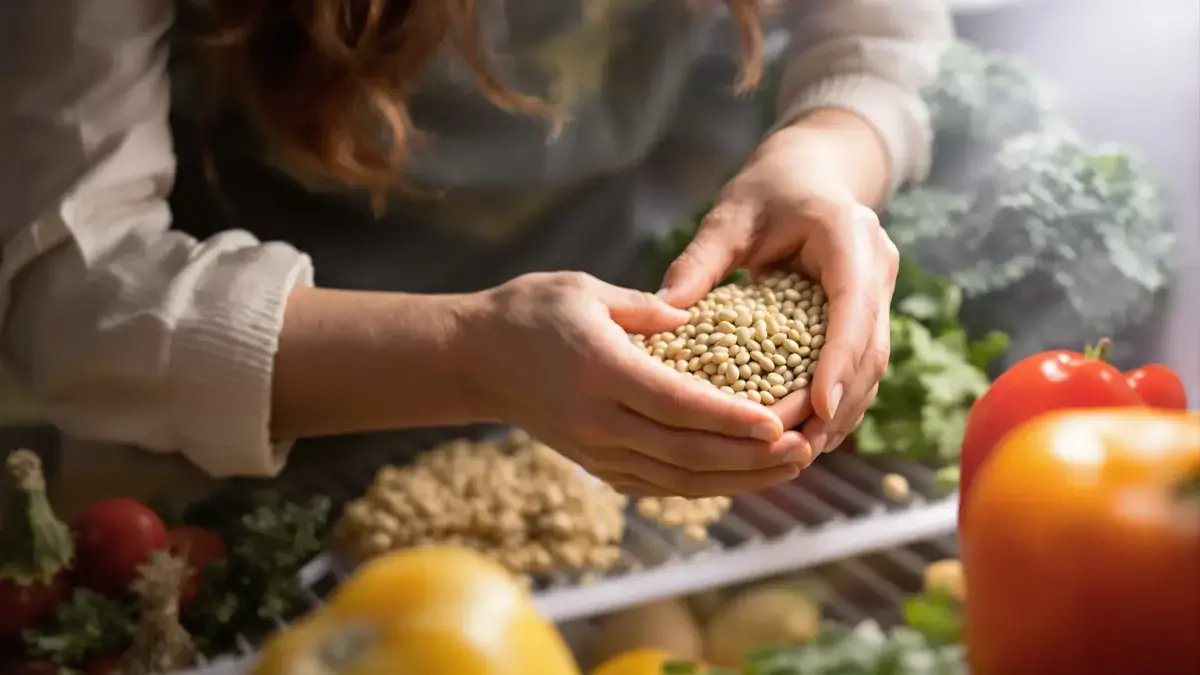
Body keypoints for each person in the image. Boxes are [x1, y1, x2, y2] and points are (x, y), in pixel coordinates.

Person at [0, 0, 952, 509]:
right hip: (209, 490)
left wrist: (823, 154)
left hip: (581, 467)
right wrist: (469, 352)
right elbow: (74, 288)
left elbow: (875, 28)